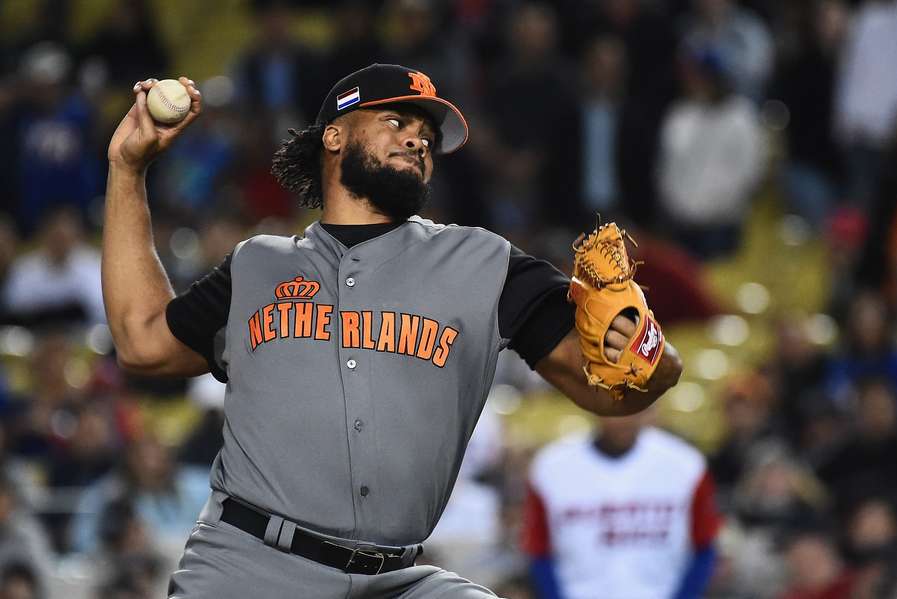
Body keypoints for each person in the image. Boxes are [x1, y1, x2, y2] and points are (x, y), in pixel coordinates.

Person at [101, 64, 683, 598]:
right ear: (334, 136)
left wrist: (642, 344)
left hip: (398, 578)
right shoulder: (259, 265)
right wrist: (128, 169)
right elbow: (142, 342)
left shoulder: (484, 263)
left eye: (427, 136)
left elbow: (618, 388)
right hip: (250, 566)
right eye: (396, 121)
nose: (418, 139)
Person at [522, 409, 720, 599]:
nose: (620, 418)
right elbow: (539, 551)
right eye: (611, 403)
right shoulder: (551, 467)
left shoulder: (686, 464)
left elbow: (705, 546)